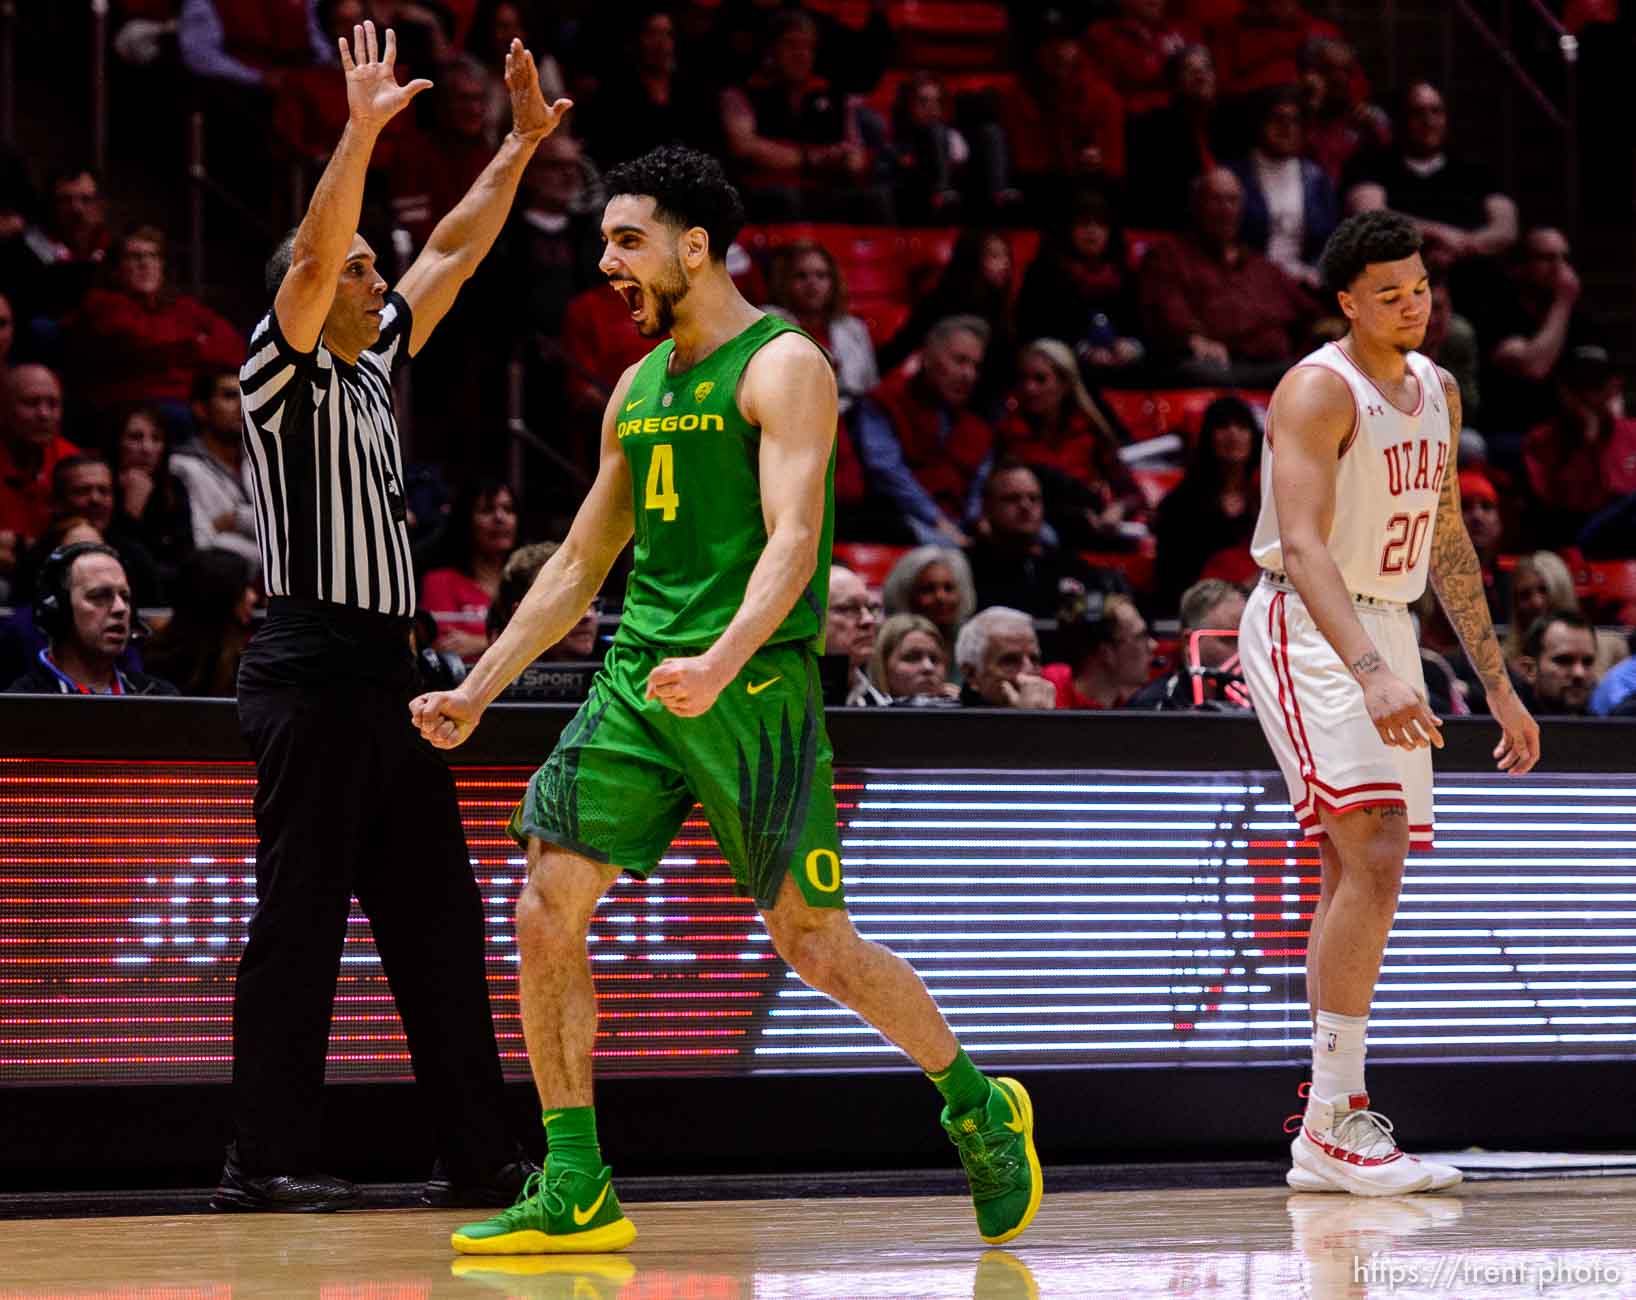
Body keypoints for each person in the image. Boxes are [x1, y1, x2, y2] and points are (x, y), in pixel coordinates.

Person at [410, 144, 1043, 1254]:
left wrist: (720, 658)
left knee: (811, 940)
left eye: (625, 240)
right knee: (545, 897)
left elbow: (794, 542)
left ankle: (976, 1102)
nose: (605, 261)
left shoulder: (783, 363)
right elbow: (575, 566)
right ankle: (575, 1179)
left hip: (751, 685)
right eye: (603, 240)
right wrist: (478, 683)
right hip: (638, 682)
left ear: (691, 248)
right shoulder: (635, 388)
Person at [214, 22, 565, 1214]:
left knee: (440, 927)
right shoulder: (283, 363)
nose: (380, 275)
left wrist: (517, 147)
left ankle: (478, 1155)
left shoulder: (371, 366)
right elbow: (316, 258)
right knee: (299, 925)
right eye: (367, 267)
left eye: (376, 267)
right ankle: (261, 1159)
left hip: (393, 674)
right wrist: (358, 131)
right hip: (310, 665)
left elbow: (456, 251)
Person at [1236, 209, 1539, 1196]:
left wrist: (1498, 684)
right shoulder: (1316, 390)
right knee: (1369, 845)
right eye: (1391, 293)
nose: (1414, 304)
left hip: (1390, 624)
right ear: (1346, 302)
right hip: (1308, 620)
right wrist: (1367, 667)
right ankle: (1332, 1121)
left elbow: (1447, 541)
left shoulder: (1439, 390)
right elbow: (1305, 539)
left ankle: (1331, 1124)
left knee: (1362, 866)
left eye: (1421, 287)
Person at [1138, 168, 1314, 385]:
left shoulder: (1261, 266)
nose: (1225, 210)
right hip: (1216, 367)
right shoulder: (1169, 255)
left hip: (1274, 366)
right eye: (1216, 200)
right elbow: (1166, 311)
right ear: (1197, 205)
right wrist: (1192, 340)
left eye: (1232, 200)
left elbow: (1310, 309)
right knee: (1200, 371)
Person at [1343, 83, 1518, 277]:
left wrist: (1458, 248)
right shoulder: (1372, 164)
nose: (1429, 120)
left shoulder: (1475, 171)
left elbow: (1506, 229)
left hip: (1471, 280)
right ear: (1400, 119)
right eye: (1418, 113)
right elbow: (1370, 218)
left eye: (1436, 111)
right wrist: (1439, 234)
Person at [68, 224, 244, 415]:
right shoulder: (101, 303)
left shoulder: (184, 307)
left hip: (188, 403)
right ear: (116, 269)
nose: (145, 264)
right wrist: (194, 343)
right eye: (134, 257)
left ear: (162, 266)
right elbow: (138, 343)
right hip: (130, 406)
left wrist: (178, 349)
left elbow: (235, 348)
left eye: (153, 256)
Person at [852, 316, 996, 546]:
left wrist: (978, 522)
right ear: (927, 358)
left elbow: (979, 489)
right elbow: (887, 473)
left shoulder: (978, 426)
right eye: (960, 361)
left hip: (960, 526)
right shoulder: (884, 404)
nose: (968, 374)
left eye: (975, 366)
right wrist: (937, 520)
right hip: (902, 520)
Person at [996, 339, 1144, 548]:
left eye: (1040, 380)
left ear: (1064, 384)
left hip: (1089, 526)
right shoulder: (1007, 434)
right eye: (1023, 379)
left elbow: (1133, 494)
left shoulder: (1089, 430)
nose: (1029, 389)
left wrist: (1117, 509)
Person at [5, 542, 175, 695]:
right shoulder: (21, 706)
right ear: (58, 610)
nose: (120, 608)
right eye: (99, 596)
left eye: (125, 597)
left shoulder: (160, 697)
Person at [1480, 228, 1601, 439]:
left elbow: (1604, 382)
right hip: (1512, 432)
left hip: (1568, 431)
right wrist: (1563, 302)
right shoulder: (1498, 313)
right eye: (1547, 258)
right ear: (1521, 267)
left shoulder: (1582, 319)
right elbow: (1533, 367)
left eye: (1565, 258)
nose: (1559, 267)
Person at [966, 461, 1128, 620]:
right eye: (1011, 498)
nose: (1025, 505)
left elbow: (1099, 603)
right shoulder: (967, 568)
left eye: (1033, 498)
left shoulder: (1064, 563)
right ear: (987, 508)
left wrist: (1084, 611)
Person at [1014, 194, 1144, 377]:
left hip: (1122, 366)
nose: (1092, 231)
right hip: (1061, 367)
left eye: (1100, 225)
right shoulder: (1044, 273)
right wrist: (1081, 349)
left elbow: (1140, 327)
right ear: (1068, 229)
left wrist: (1131, 346)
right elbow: (1035, 329)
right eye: (1084, 224)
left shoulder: (1124, 274)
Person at [1153, 394, 1262, 609]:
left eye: (1242, 427)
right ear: (1207, 437)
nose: (1233, 434)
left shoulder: (1269, 498)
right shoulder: (1179, 505)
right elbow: (1173, 581)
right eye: (1223, 426)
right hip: (1202, 610)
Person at [1522, 346, 1636, 548]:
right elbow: (1562, 508)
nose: (1589, 394)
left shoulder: (1632, 433)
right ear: (1564, 389)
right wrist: (1588, 443)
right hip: (1573, 537)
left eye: (1597, 383)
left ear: (1614, 386)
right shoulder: (1541, 441)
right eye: (1580, 383)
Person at [1227, 86, 1339, 290]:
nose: (1286, 127)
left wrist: (1314, 273)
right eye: (1277, 118)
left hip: (1306, 283)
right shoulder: (1234, 176)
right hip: (1249, 281)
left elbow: (1330, 241)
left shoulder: (1316, 178)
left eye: (1294, 120)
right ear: (1259, 123)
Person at [761, 241, 879, 416]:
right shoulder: (767, 322)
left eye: (821, 275)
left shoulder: (853, 328)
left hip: (852, 420)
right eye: (801, 276)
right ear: (784, 282)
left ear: (834, 282)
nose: (812, 283)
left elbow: (871, 386)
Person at [170, 368, 260, 573]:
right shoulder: (182, 466)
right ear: (201, 409)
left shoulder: (262, 460)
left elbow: (289, 531)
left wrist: (237, 519)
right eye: (229, 396)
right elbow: (203, 545)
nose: (242, 405)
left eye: (247, 395)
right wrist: (267, 555)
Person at [419, 477, 520, 662]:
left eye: (508, 509)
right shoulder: (440, 582)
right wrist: (515, 641)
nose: (500, 518)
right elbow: (447, 646)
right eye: (487, 510)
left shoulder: (528, 581)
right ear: (467, 520)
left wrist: (482, 642)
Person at [142, 547, 257, 696]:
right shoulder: (154, 664)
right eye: (244, 588)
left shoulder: (250, 664)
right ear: (220, 599)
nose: (253, 596)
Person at [1127, 577, 1250, 709]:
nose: (1243, 652)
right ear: (1188, 642)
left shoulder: (1265, 703)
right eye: (1229, 640)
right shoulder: (1153, 708)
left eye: (1249, 641)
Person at [112, 404, 195, 589]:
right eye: (135, 438)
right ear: (117, 442)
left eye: (156, 438)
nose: (147, 448)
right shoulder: (100, 487)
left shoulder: (174, 486)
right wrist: (131, 513)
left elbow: (186, 557)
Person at [0, 363, 82, 544]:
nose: (44, 414)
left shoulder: (70, 460)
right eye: (31, 403)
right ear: (3, 409)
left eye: (53, 404)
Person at [1042, 592, 1156, 709]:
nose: (1153, 645)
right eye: (1141, 637)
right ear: (1106, 653)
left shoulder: (1133, 706)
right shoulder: (1048, 689)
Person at [881, 544, 976, 656]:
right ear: (906, 595)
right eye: (928, 589)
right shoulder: (887, 645)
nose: (941, 597)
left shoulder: (972, 643)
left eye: (948, 588)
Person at [953, 605, 1056, 708]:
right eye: (1010, 661)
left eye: (1034, 660)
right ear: (971, 674)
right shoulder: (944, 722)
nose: (1029, 671)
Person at [1515, 609, 1598, 715]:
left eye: (1587, 662)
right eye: (1564, 661)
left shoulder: (1605, 728)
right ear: (1529, 670)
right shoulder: (1501, 727)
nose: (1579, 673)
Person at [826, 564, 888, 706]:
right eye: (849, 608)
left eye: (871, 608)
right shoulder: (776, 699)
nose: (868, 620)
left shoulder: (881, 704)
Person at [867, 612, 958, 703]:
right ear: (883, 666)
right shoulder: (861, 711)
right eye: (911, 658)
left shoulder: (959, 707)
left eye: (934, 659)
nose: (928, 667)